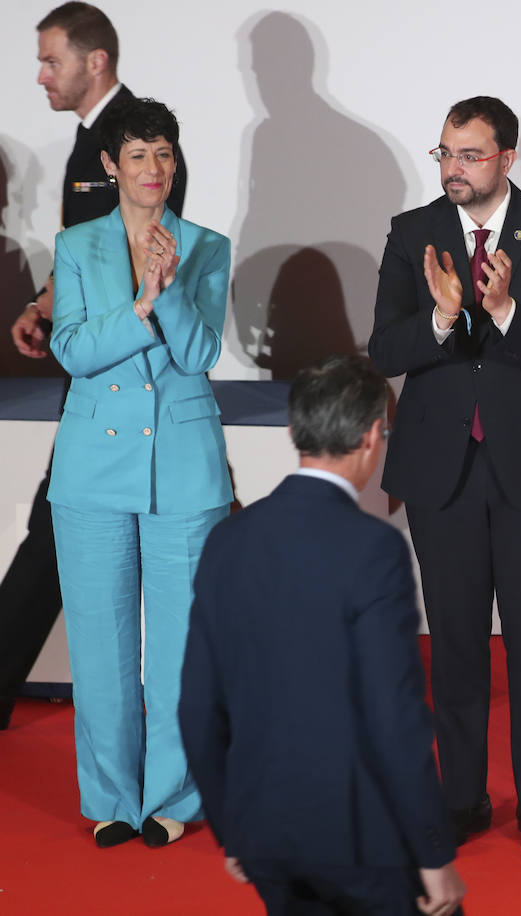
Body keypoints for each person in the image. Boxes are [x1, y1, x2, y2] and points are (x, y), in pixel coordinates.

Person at [368, 96, 521, 853]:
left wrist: (503, 310)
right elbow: (386, 351)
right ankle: (462, 798)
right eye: (443, 154)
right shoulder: (413, 234)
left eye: (469, 155)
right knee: (457, 644)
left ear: (506, 158)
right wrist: (441, 320)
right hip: (444, 472)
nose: (453, 169)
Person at [180, 355, 465, 916]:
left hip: (262, 830)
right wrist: (434, 854)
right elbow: (396, 720)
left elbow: (196, 707)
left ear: (294, 431)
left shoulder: (227, 542)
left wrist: (232, 828)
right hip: (362, 841)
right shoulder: (374, 550)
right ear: (370, 438)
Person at [0, 1, 188, 731]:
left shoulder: (136, 134)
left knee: (71, 526)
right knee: (62, 527)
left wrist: (69, 313)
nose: (41, 74)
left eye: (52, 59)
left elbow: (147, 254)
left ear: (95, 61)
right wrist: (46, 306)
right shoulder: (92, 142)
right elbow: (88, 250)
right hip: (102, 370)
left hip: (133, 377)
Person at [46, 96, 227, 848]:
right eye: (139, 155)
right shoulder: (76, 245)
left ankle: (174, 800)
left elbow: (202, 355)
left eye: (165, 155)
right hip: (91, 469)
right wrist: (142, 305)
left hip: (182, 468)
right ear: (110, 164)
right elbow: (73, 351)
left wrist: (172, 292)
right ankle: (114, 798)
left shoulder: (207, 246)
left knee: (182, 646)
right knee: (99, 642)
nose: (154, 170)